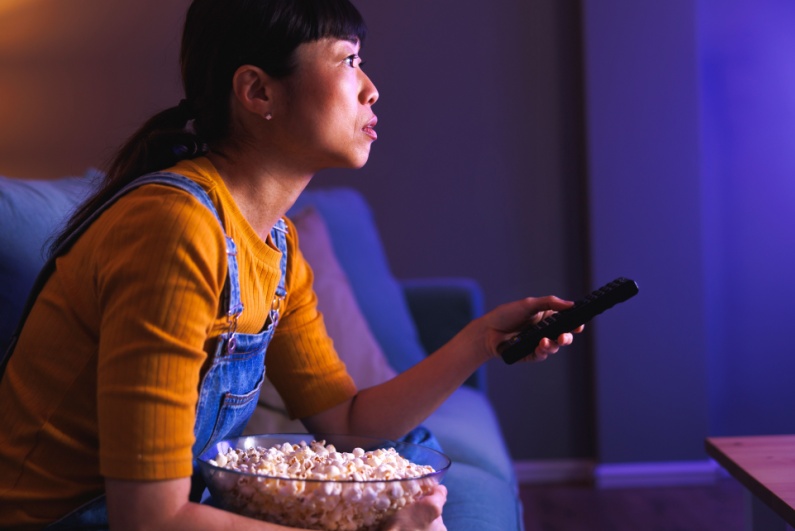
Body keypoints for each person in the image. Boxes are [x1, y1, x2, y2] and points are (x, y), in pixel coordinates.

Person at [0, 0, 580, 529]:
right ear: (258, 92)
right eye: (348, 61)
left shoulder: (275, 246)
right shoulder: (174, 230)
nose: (372, 89)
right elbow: (148, 518)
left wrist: (480, 340)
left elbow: (347, 421)